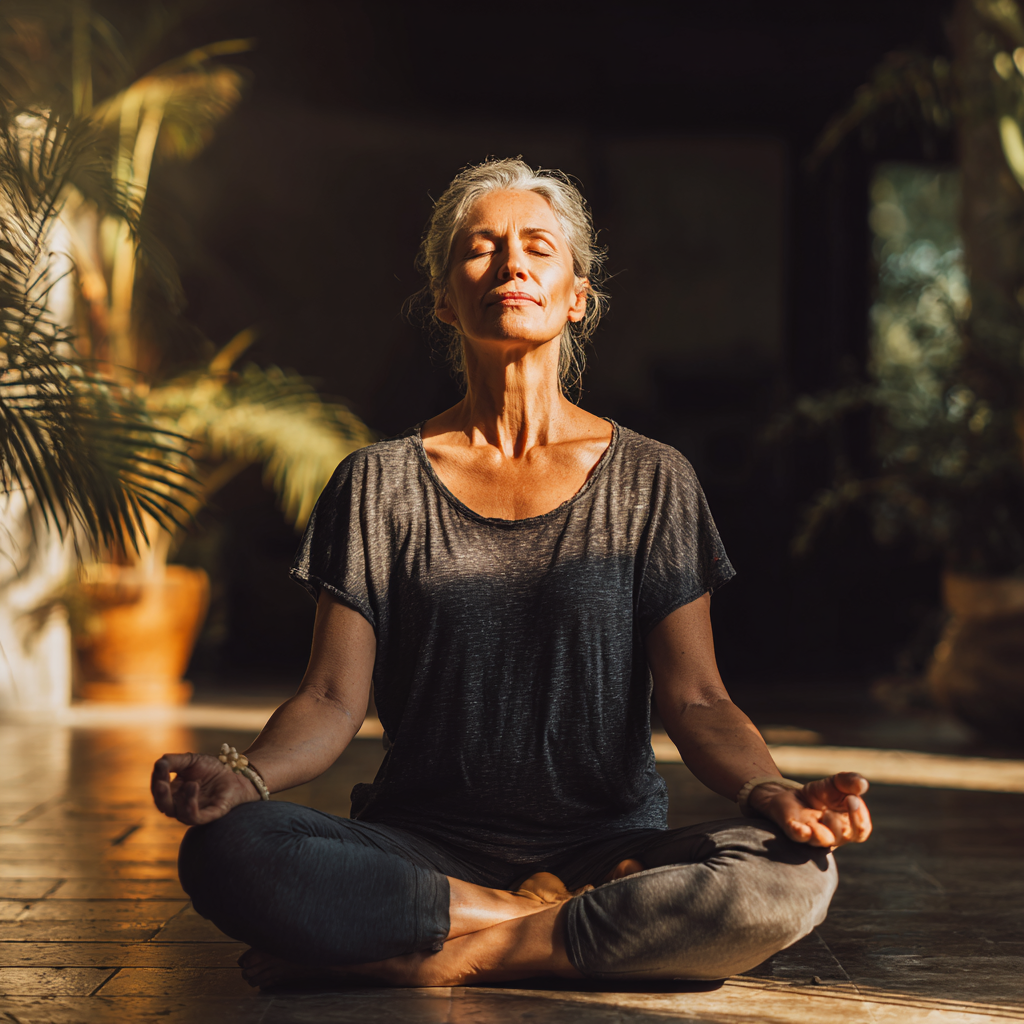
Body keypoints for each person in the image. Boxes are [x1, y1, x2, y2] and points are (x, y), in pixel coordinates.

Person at [152, 157, 872, 989]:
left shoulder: (651, 479)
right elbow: (328, 700)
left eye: (537, 245)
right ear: (441, 297)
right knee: (231, 851)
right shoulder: (378, 482)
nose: (511, 264)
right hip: (418, 845)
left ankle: (442, 958)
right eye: (481, 248)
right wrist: (242, 778)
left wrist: (772, 790)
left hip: (612, 847)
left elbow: (698, 700)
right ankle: (539, 922)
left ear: (576, 296)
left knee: (792, 875)